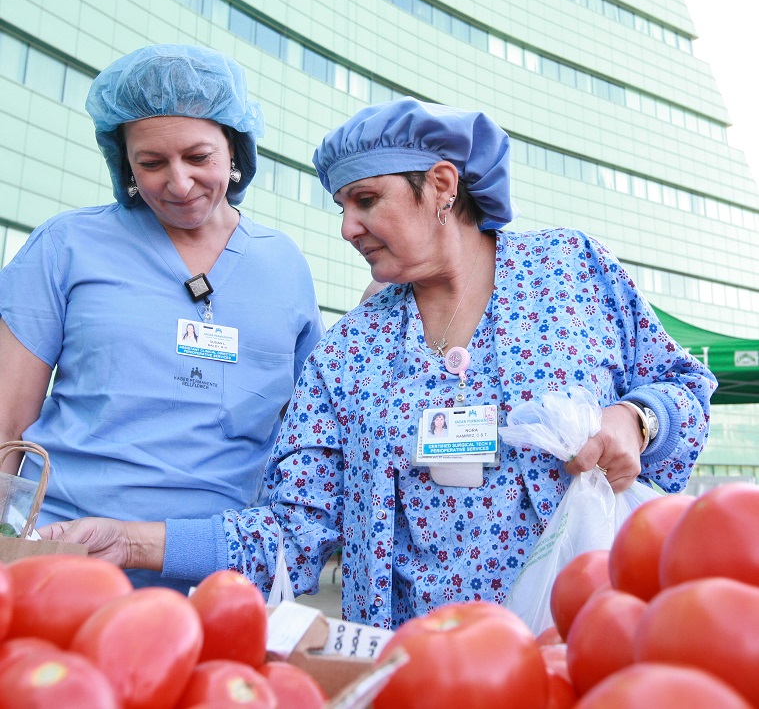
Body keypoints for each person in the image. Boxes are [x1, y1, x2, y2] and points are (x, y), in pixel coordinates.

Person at [40, 97, 716, 627]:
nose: (346, 228)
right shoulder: (347, 353)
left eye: (366, 201)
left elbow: (682, 383)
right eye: (342, 207)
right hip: (410, 662)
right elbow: (293, 531)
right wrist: (130, 543)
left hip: (582, 636)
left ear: (442, 184)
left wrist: (637, 418)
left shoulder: (571, 270)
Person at [1, 44, 324, 590]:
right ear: (123, 163)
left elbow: (304, 432)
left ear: (235, 150)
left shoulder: (284, 265)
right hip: (62, 558)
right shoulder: (66, 245)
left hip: (216, 574)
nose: (178, 183)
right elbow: (8, 423)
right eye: (151, 163)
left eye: (199, 157)